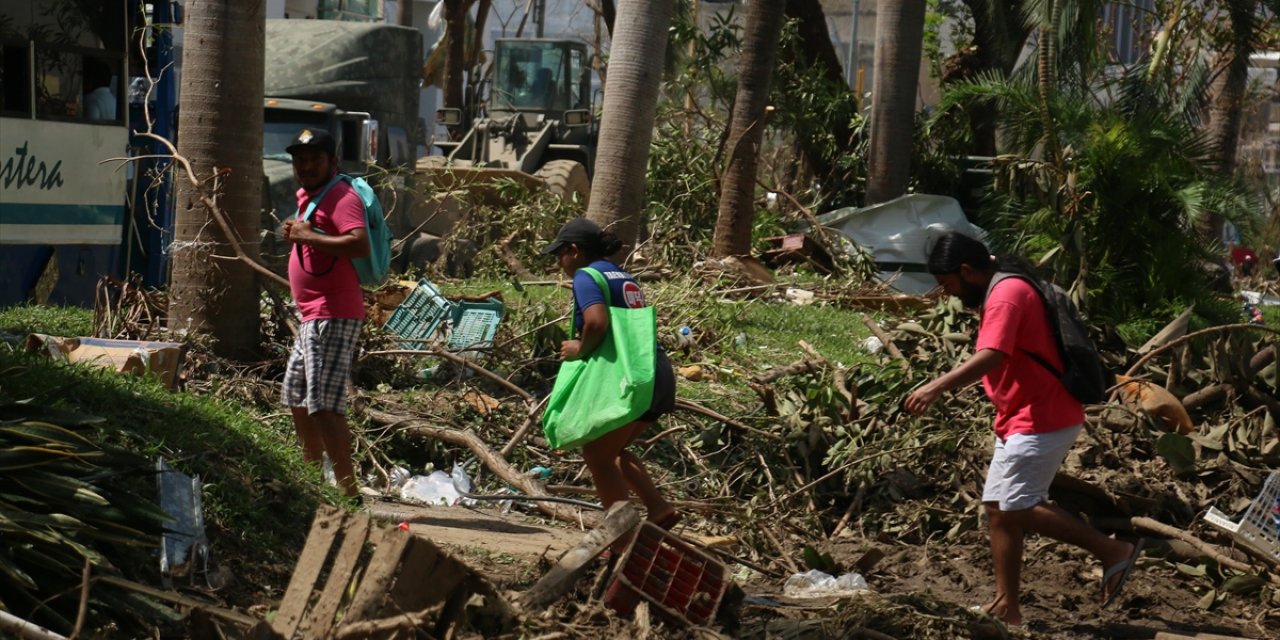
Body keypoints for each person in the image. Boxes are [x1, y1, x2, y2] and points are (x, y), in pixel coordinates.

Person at [903, 232, 1142, 626]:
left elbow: (993, 354)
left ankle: (1112, 551)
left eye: (949, 285)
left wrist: (934, 387)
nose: (950, 295)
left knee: (1017, 505)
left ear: (967, 271)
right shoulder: (1004, 284)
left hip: (1041, 417)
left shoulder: (1006, 294)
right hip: (1023, 416)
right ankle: (1006, 607)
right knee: (999, 509)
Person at [542, 218, 679, 535]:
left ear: (574, 251)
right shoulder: (622, 276)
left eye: (559, 254)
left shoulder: (586, 276)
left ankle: (621, 537)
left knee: (596, 454)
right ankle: (659, 509)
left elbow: (597, 323)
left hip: (630, 379)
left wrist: (579, 348)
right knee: (611, 450)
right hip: (655, 372)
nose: (559, 262)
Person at [280, 129, 369, 498]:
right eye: (301, 160)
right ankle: (313, 485)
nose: (307, 166)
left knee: (324, 406)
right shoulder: (311, 197)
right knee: (298, 399)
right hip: (312, 317)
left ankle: (348, 494)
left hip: (333, 314)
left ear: (333, 163)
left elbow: (359, 243)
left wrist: (307, 237)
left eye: (315, 159)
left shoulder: (341, 196)